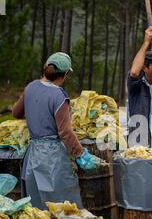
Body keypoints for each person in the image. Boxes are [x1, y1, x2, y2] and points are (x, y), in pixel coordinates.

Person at [12, 52, 101, 209]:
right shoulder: (59, 96)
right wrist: (81, 154)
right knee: (61, 207)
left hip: (32, 155)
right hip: (52, 159)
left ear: (46, 68)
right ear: (65, 74)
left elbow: (16, 113)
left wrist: (36, 114)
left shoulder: (31, 87)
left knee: (36, 207)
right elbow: (65, 132)